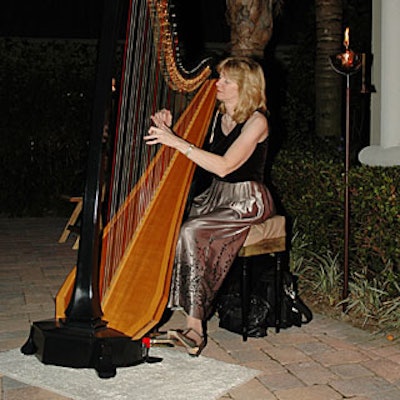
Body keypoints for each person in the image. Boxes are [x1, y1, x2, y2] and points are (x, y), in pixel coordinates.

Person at [144, 56, 275, 356]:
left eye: (228, 80)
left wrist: (176, 142)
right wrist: (170, 127)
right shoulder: (216, 115)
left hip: (246, 199)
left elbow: (226, 166)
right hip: (216, 196)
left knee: (192, 232)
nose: (219, 83)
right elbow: (195, 151)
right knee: (167, 227)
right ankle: (153, 310)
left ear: (246, 87)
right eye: (221, 77)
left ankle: (195, 329)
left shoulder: (257, 121)